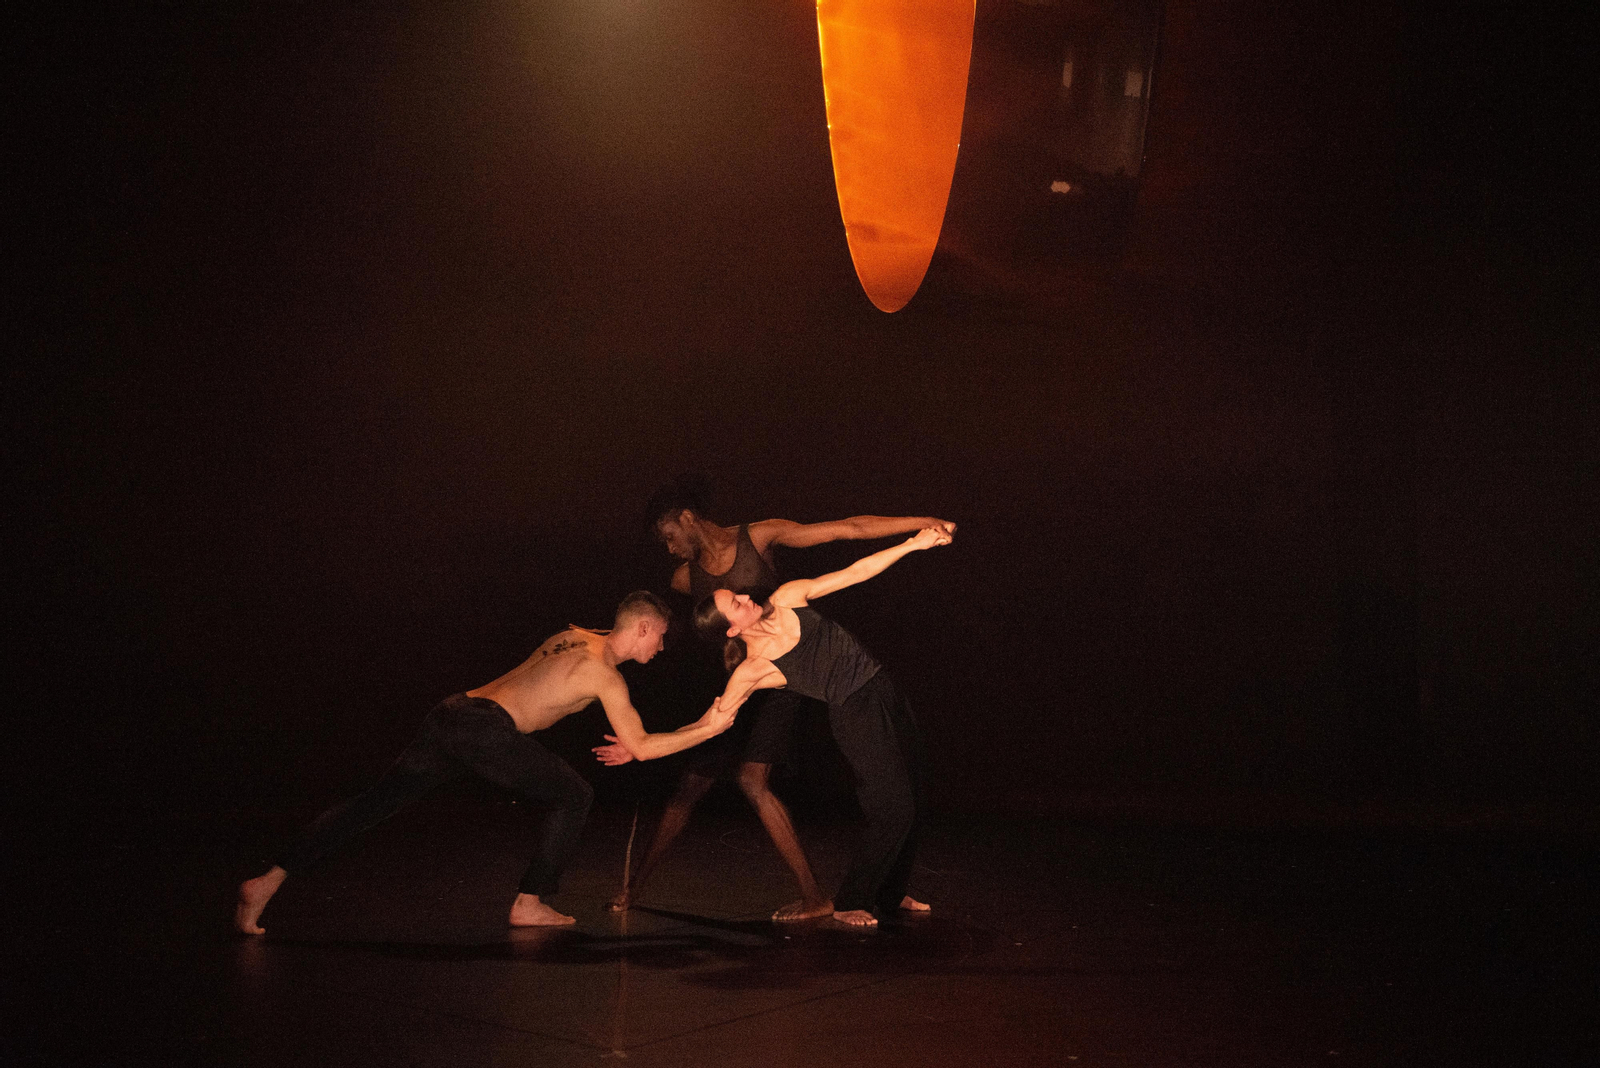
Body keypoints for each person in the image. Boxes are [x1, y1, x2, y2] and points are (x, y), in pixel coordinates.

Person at [235, 592, 736, 935]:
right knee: (575, 794)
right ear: (644, 627)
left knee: (373, 804)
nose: (661, 647)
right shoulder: (604, 675)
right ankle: (529, 901)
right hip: (485, 730)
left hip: (452, 713)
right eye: (659, 637)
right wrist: (707, 728)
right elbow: (644, 747)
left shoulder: (576, 635)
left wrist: (632, 740)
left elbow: (572, 686)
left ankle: (267, 881)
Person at [599, 483, 955, 921]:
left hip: (878, 686)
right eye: (736, 601)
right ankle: (848, 899)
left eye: (738, 594)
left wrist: (915, 541)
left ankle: (886, 891)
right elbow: (712, 721)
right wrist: (640, 745)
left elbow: (854, 567)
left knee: (913, 791)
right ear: (732, 629)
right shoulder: (752, 666)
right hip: (846, 705)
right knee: (891, 807)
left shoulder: (785, 594)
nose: (745, 594)